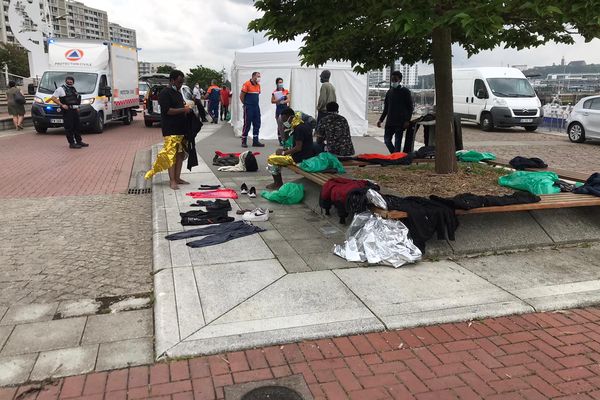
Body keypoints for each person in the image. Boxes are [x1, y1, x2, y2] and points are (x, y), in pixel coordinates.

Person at [145, 70, 192, 190]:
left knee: (180, 154)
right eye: (179, 82)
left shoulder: (178, 93)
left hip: (181, 128)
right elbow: (167, 111)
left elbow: (180, 106)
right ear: (172, 80)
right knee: (171, 154)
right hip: (170, 129)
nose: (181, 84)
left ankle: (177, 177)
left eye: (182, 82)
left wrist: (187, 110)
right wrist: (183, 110)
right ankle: (172, 181)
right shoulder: (165, 93)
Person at [267, 107, 315, 189]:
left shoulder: (298, 128)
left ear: (291, 117)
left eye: (284, 120)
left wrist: (283, 153)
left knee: (271, 159)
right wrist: (285, 150)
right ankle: (277, 183)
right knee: (276, 155)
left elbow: (298, 148)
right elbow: (298, 145)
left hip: (300, 157)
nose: (284, 122)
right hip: (307, 154)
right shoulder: (302, 125)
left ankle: (278, 183)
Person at [377, 70, 414, 153]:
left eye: (395, 79)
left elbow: (410, 107)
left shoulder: (406, 92)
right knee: (387, 140)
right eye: (392, 79)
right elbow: (386, 108)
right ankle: (395, 155)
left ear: (400, 80)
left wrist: (407, 120)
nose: (393, 81)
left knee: (398, 142)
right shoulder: (389, 92)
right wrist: (381, 120)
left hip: (400, 122)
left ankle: (396, 157)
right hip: (389, 122)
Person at [50, 76, 88, 149]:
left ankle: (79, 141)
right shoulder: (61, 89)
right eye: (68, 81)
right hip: (67, 111)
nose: (70, 82)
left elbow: (75, 99)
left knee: (77, 126)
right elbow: (53, 98)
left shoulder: (73, 88)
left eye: (71, 81)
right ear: (66, 81)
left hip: (74, 110)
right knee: (69, 127)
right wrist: (62, 105)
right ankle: (72, 143)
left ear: (73, 82)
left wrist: (77, 107)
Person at [240, 71, 264, 148]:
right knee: (247, 124)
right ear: (253, 76)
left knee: (257, 123)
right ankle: (244, 141)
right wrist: (245, 104)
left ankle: (255, 141)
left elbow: (256, 96)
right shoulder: (246, 84)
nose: (259, 78)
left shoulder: (258, 85)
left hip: (256, 107)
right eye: (258, 76)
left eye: (259, 76)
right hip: (249, 107)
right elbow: (241, 96)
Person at [271, 77, 291, 145]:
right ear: (276, 83)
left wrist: (284, 101)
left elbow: (288, 99)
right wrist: (279, 100)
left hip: (285, 109)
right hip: (278, 109)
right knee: (280, 125)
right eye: (279, 82)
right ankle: (281, 140)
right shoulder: (274, 92)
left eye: (281, 82)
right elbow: (272, 101)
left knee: (287, 124)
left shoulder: (286, 91)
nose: (281, 84)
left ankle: (287, 139)